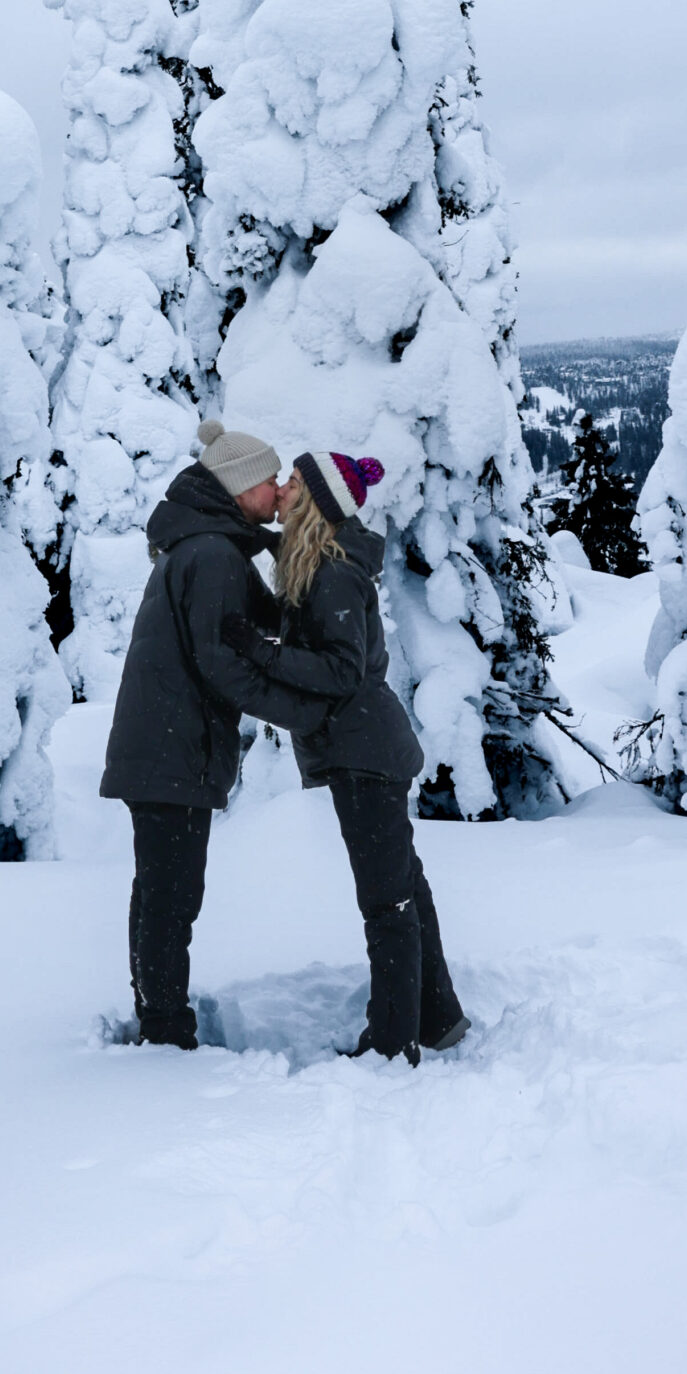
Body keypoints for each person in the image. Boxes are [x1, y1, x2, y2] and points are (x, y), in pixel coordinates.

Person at [223, 450, 468, 1065]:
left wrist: (261, 650)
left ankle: (392, 1042)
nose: (280, 488)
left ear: (316, 503)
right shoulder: (318, 561)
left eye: (294, 482)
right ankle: (437, 1017)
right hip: (363, 747)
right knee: (404, 887)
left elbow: (340, 669)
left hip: (365, 754)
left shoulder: (333, 572)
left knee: (386, 902)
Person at [101, 419, 324, 1047]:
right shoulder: (212, 554)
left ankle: (157, 1013)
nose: (279, 488)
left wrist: (318, 559)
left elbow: (264, 619)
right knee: (171, 898)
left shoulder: (208, 546)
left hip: (164, 746)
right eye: (271, 478)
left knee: (159, 893)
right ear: (241, 486)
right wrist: (306, 711)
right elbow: (225, 663)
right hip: (174, 749)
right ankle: (166, 1030)